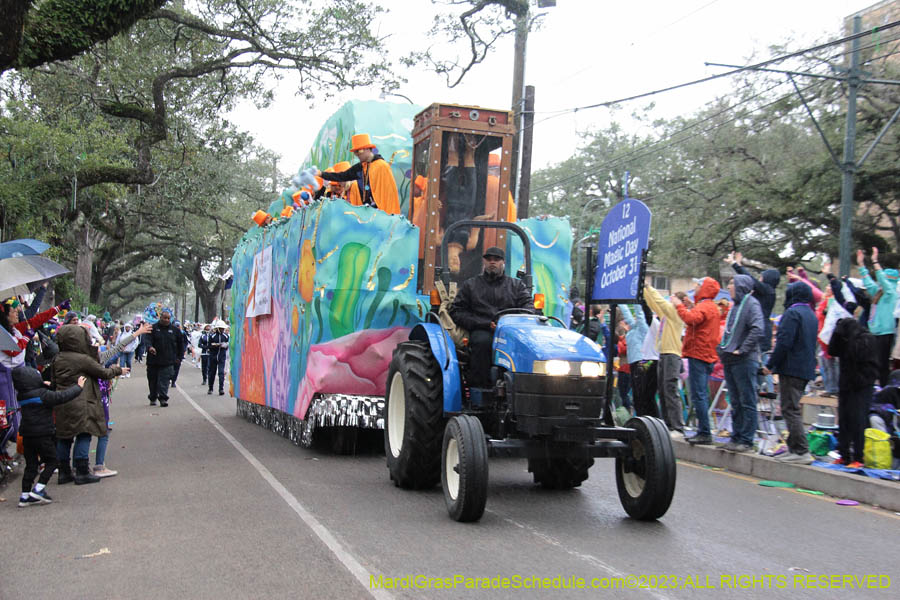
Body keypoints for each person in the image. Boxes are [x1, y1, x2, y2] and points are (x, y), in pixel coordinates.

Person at [52, 324, 125, 485]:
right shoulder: (82, 359)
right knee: (84, 433)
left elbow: (53, 381)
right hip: (82, 401)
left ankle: (64, 472)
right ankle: (82, 471)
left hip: (62, 401)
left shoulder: (58, 358)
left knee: (64, 437)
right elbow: (102, 372)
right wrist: (117, 370)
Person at [449, 246, 532, 387]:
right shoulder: (471, 285)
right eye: (489, 259)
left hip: (511, 331)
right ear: (484, 262)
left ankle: (525, 387)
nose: (492, 262)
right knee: (482, 343)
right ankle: (480, 390)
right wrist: (484, 324)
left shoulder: (516, 286)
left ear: (503, 263)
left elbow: (529, 307)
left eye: (496, 259)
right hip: (483, 329)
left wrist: (513, 322)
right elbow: (457, 311)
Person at [11, 365, 85, 506]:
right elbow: (61, 397)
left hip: (27, 434)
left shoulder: (22, 395)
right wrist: (78, 387)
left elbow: (44, 396)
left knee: (31, 465)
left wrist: (46, 386)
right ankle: (39, 489)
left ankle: (24, 496)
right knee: (52, 461)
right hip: (43, 434)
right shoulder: (42, 394)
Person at [763, 281, 818, 464]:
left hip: (791, 367)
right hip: (805, 368)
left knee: (789, 409)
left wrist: (770, 365)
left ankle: (801, 450)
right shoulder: (811, 314)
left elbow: (784, 342)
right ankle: (793, 448)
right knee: (792, 407)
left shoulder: (792, 313)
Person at [716, 274, 764, 453]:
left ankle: (746, 439)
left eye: (731, 284)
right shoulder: (735, 306)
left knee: (746, 400)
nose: (728, 287)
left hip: (744, 359)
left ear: (742, 286)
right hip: (730, 359)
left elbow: (758, 329)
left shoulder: (752, 304)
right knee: (735, 400)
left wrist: (742, 349)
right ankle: (736, 436)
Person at [671, 277, 722, 445]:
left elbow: (691, 319)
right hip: (705, 355)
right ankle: (704, 430)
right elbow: (697, 318)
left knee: (698, 395)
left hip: (698, 354)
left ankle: (704, 432)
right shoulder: (710, 306)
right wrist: (690, 306)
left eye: (698, 285)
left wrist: (679, 304)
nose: (696, 287)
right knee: (700, 394)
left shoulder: (705, 307)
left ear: (705, 288)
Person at [827, 317, 879, 468]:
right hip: (846, 384)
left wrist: (860, 381)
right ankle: (844, 454)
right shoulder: (844, 338)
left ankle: (858, 457)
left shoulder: (865, 339)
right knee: (844, 420)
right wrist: (836, 334)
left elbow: (855, 355)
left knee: (857, 421)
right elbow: (832, 350)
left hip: (862, 386)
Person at [318, 133, 400, 215]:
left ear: (368, 149)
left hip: (382, 214)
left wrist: (386, 215)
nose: (357, 154)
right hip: (369, 213)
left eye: (359, 151)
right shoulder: (361, 167)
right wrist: (321, 174)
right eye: (355, 152)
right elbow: (342, 176)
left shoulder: (381, 166)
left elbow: (388, 195)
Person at [644, 285, 687, 437]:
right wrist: (644, 290)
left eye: (673, 298)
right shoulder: (666, 316)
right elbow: (654, 304)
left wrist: (651, 287)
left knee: (670, 389)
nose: (670, 300)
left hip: (672, 354)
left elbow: (661, 303)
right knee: (662, 390)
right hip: (662, 353)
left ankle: (677, 426)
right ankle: (668, 424)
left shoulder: (676, 314)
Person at [856, 247, 897, 387]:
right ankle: (875, 387)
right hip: (875, 332)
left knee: (882, 363)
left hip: (886, 333)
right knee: (873, 362)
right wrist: (861, 265)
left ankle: (883, 387)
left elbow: (883, 281)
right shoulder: (879, 293)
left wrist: (874, 261)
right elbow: (868, 283)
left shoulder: (892, 293)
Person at [621, 304, 660, 417]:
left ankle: (650, 416)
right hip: (634, 362)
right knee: (637, 393)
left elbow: (640, 315)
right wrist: (619, 301)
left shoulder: (644, 328)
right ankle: (641, 416)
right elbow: (627, 316)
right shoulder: (633, 329)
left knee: (642, 391)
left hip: (643, 360)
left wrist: (637, 301)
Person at [146, 310, 180, 407]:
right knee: (153, 381)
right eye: (164, 318)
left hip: (168, 361)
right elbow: (147, 340)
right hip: (153, 361)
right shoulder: (152, 328)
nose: (166, 320)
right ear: (160, 318)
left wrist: (179, 357)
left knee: (164, 381)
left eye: (168, 318)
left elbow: (180, 344)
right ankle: (153, 397)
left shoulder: (175, 330)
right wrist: (150, 347)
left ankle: (163, 398)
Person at [207, 320, 229, 395]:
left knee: (221, 373)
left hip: (221, 357)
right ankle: (210, 388)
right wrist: (215, 345)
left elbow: (227, 345)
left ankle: (221, 389)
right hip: (213, 356)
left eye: (223, 328)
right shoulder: (212, 336)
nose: (223, 330)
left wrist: (225, 345)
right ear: (218, 328)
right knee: (212, 373)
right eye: (221, 328)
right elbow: (209, 346)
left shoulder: (225, 336)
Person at [170, 320, 188, 387]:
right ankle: (169, 378)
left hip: (179, 353)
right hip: (170, 352)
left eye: (178, 326)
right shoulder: (170, 333)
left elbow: (186, 342)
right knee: (169, 367)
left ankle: (173, 381)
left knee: (176, 368)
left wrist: (184, 349)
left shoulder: (183, 333)